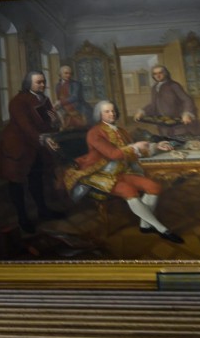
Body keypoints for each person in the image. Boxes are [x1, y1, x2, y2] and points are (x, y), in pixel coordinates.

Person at [68, 100, 185, 243]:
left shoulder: (121, 131)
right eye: (107, 111)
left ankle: (144, 225)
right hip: (102, 174)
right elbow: (113, 154)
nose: (112, 114)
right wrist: (135, 146)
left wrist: (156, 146)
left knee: (154, 187)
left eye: (113, 111)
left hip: (124, 171)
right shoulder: (94, 133)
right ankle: (162, 229)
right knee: (129, 191)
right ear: (99, 114)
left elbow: (135, 150)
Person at [0, 71, 61, 230]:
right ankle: (22, 219)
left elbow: (50, 124)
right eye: (38, 82)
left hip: (36, 145)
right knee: (17, 182)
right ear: (28, 83)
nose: (42, 85)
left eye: (43, 81)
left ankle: (43, 211)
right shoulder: (18, 102)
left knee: (37, 178)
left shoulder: (44, 100)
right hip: (18, 146)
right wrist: (44, 139)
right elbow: (26, 126)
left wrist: (54, 122)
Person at [133, 63, 200, 141]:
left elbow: (187, 100)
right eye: (155, 74)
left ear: (165, 73)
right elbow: (153, 104)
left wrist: (187, 113)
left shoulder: (174, 85)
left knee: (186, 141)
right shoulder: (154, 88)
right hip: (163, 124)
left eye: (160, 73)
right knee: (168, 141)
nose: (158, 75)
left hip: (179, 122)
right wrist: (142, 112)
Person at [52, 63, 92, 131]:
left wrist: (60, 102)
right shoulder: (57, 86)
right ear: (60, 74)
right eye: (66, 73)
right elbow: (59, 98)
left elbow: (75, 97)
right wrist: (57, 105)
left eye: (70, 73)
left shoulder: (76, 84)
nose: (68, 75)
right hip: (64, 108)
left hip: (77, 108)